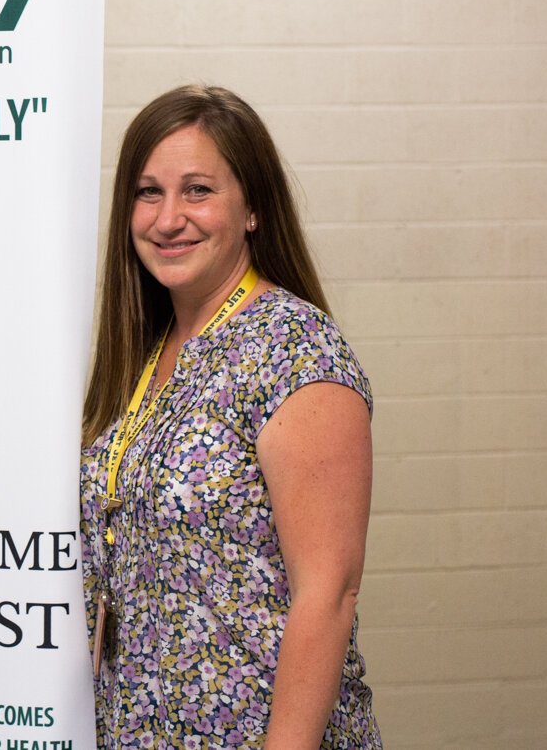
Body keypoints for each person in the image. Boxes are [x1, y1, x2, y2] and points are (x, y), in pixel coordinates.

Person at [80, 85, 379, 747]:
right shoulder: (146, 352)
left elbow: (328, 593)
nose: (167, 219)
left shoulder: (295, 353)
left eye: (198, 190)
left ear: (252, 209)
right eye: (147, 192)